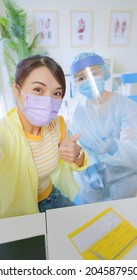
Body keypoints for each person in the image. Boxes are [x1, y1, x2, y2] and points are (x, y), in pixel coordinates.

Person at [0, 54, 88, 218]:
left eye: (56, 93)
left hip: (51, 198)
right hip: (16, 213)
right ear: (16, 89)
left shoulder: (57, 124)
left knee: (83, 230)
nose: (48, 100)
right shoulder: (5, 133)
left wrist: (77, 154)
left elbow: (79, 159)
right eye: (38, 90)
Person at [69, 52, 137, 204]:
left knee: (122, 210)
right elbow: (81, 146)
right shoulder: (77, 112)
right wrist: (91, 170)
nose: (88, 80)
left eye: (93, 73)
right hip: (93, 176)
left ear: (104, 73)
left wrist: (115, 151)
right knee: (93, 215)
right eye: (81, 78)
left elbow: (132, 146)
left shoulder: (126, 106)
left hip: (124, 173)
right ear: (75, 83)